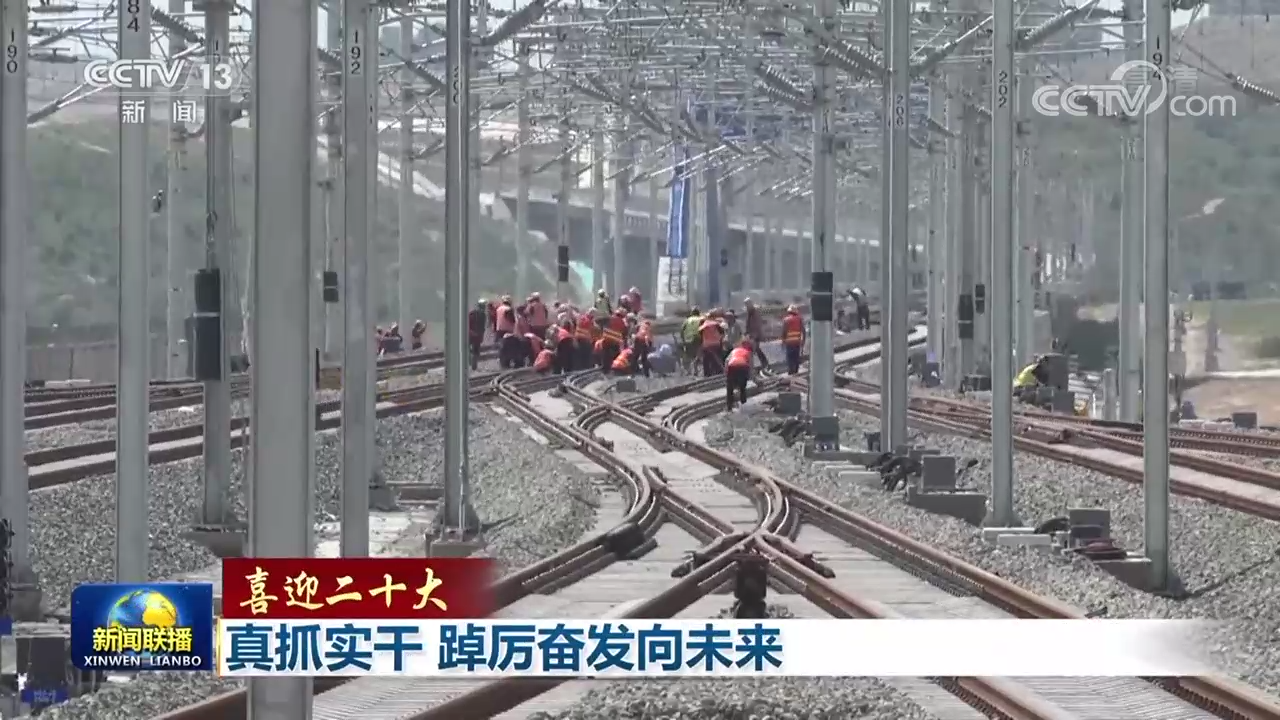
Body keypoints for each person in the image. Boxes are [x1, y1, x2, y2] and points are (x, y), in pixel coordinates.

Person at [725, 340, 753, 411]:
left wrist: (726, 372)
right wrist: (749, 375)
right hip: (743, 366)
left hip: (732, 366)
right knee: (742, 387)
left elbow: (726, 360)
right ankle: (743, 404)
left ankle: (729, 406)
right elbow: (750, 365)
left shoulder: (734, 351)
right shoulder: (747, 352)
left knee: (729, 388)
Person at [742, 298, 770, 369]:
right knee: (755, 349)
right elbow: (748, 323)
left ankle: (763, 363)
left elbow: (757, 324)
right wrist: (747, 332)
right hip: (752, 334)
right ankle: (763, 363)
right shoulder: (750, 312)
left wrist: (756, 335)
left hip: (756, 334)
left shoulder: (755, 312)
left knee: (755, 349)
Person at [599, 309, 628, 373]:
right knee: (615, 355)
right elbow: (625, 333)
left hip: (606, 339)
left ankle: (605, 369)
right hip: (615, 341)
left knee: (605, 355)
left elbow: (601, 324)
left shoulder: (609, 319)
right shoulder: (622, 322)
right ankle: (614, 369)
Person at [698, 311, 726, 376]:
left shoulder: (703, 326)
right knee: (718, 358)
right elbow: (722, 333)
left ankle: (707, 374)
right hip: (716, 344)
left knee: (707, 360)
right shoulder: (716, 324)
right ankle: (719, 372)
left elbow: (700, 336)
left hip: (707, 345)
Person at [781, 305, 805, 375]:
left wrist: (783, 341)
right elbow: (803, 331)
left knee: (790, 359)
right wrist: (803, 341)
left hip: (789, 343)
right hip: (797, 342)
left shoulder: (786, 320)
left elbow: (784, 332)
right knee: (796, 358)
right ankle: (796, 372)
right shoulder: (799, 319)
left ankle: (791, 373)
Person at [680, 307, 704, 373]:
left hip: (688, 339)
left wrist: (683, 340)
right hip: (698, 339)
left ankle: (689, 371)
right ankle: (696, 369)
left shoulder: (687, 320)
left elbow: (682, 330)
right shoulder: (701, 319)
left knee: (689, 356)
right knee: (698, 354)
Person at [468, 301, 488, 369]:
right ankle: (473, 363)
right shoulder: (482, 315)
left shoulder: (472, 313)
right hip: (476, 335)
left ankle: (471, 360)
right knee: (475, 350)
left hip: (471, 334)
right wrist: (481, 335)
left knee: (470, 348)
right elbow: (482, 327)